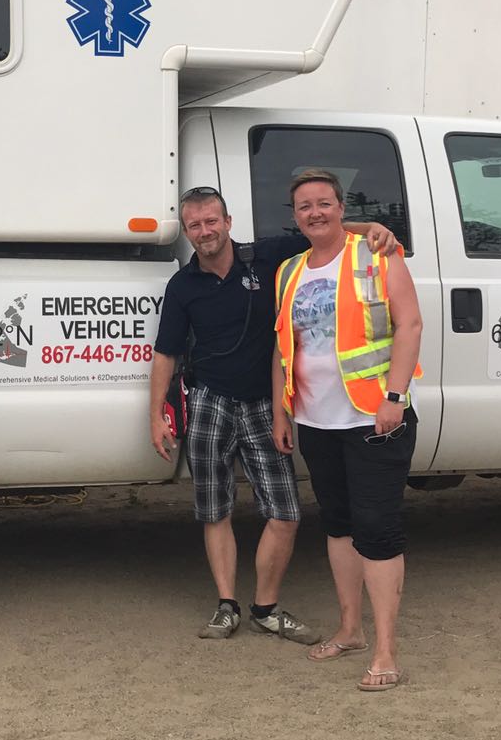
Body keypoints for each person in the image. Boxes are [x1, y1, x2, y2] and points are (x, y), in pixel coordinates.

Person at [150, 187, 398, 644]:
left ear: (228, 220)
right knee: (214, 510)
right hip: (208, 401)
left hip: (267, 403)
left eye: (211, 221)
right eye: (195, 226)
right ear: (186, 233)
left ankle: (265, 607)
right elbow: (165, 354)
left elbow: (324, 233)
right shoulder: (181, 286)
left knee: (285, 512)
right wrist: (156, 416)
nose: (205, 232)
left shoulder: (267, 258)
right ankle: (227, 605)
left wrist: (372, 229)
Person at [271, 169, 423, 692]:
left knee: (377, 532)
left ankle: (385, 651)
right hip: (316, 421)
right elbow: (283, 346)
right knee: (338, 527)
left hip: (373, 418)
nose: (315, 213)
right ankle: (350, 630)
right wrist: (281, 411)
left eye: (324, 203)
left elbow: (410, 324)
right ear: (294, 217)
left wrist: (395, 397)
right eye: (304, 206)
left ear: (342, 206)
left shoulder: (377, 253)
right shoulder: (289, 270)